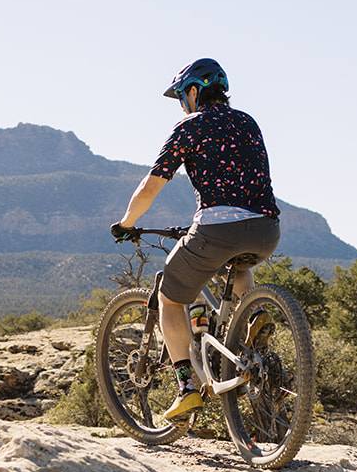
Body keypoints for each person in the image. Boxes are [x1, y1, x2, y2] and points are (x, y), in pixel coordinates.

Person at [111, 58, 281, 421]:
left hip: (217, 229)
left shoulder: (190, 126)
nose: (181, 104)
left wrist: (126, 223)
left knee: (169, 299)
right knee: (239, 265)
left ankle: (187, 387)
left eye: (180, 97)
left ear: (193, 91)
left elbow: (152, 185)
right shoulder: (248, 122)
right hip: (266, 229)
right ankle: (254, 315)